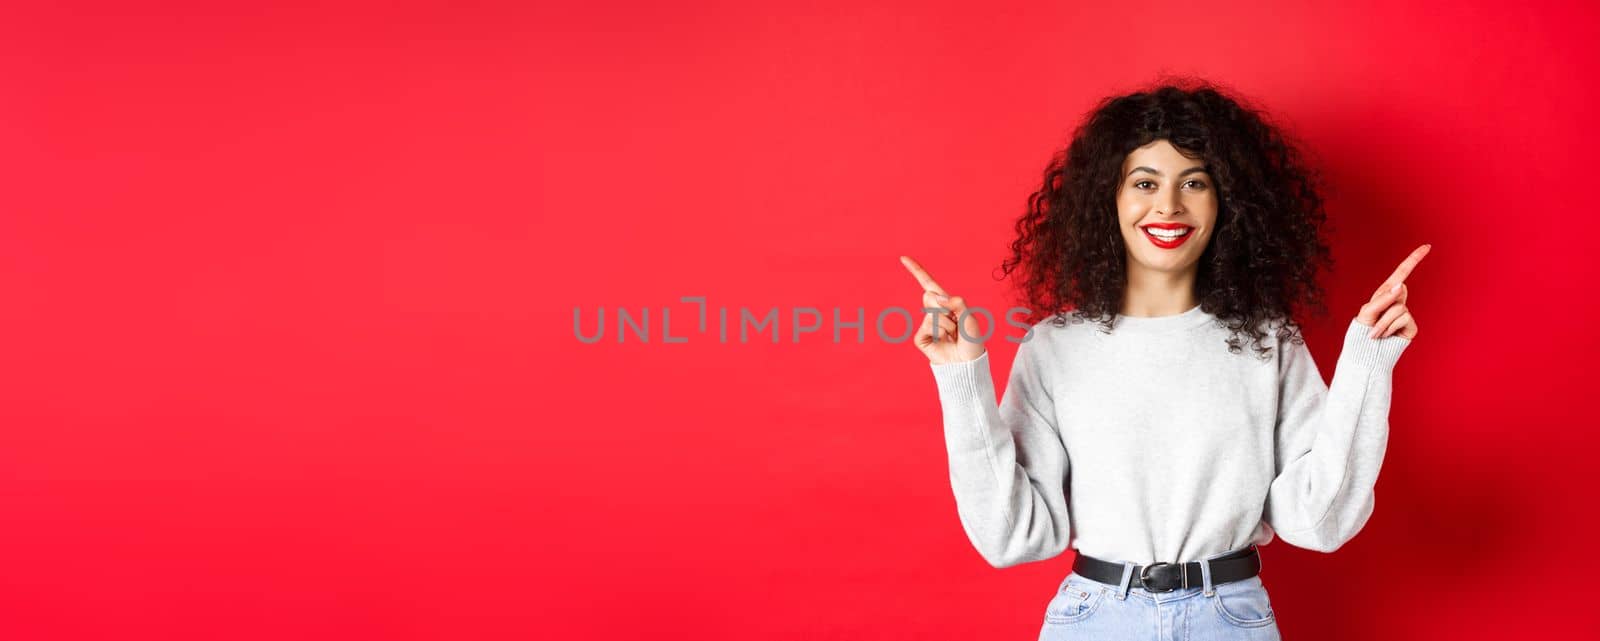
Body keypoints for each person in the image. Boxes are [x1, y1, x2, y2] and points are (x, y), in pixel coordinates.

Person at [898, 80, 1429, 640]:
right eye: (1144, 182)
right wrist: (961, 378)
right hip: (1096, 619)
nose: (1168, 205)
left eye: (1194, 183)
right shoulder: (1055, 346)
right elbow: (1013, 537)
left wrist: (1368, 361)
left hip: (1231, 620)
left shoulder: (1267, 341)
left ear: (1227, 203)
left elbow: (1319, 522)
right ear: (1109, 199)